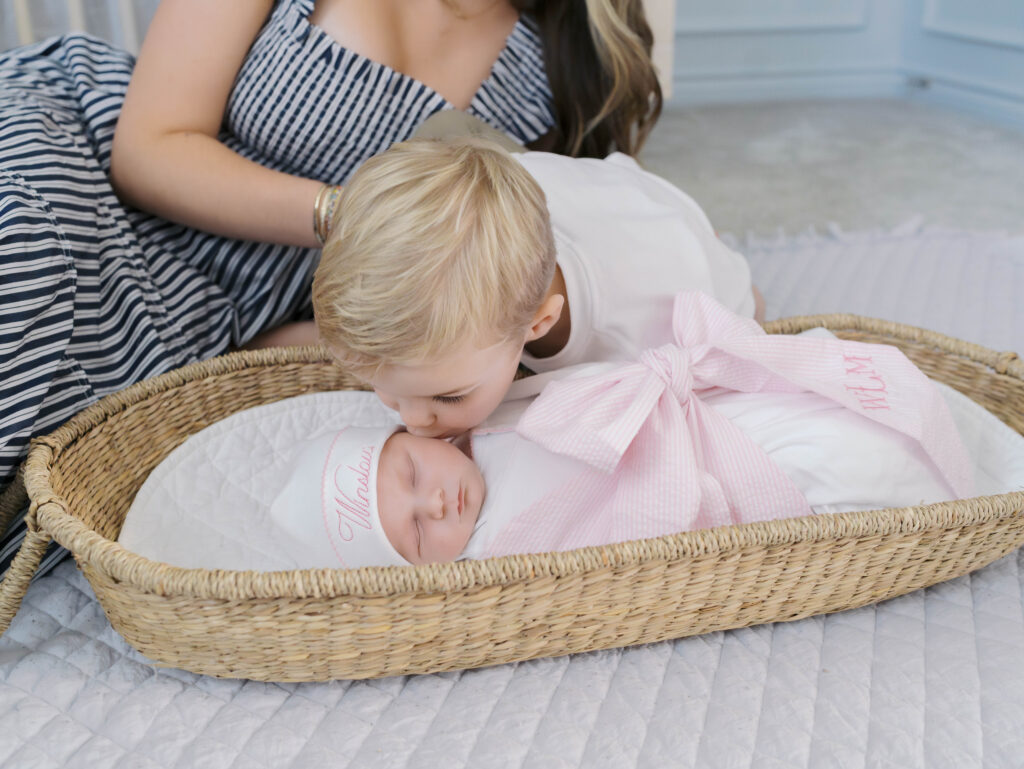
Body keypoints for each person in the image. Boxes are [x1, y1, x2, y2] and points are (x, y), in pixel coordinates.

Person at [0, 0, 661, 572]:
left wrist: (326, 349)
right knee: (28, 262)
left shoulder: (560, 63)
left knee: (86, 469)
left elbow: (506, 282)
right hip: (88, 176)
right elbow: (145, 151)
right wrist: (348, 217)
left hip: (246, 312)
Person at [265, 292, 974, 568]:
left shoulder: (487, 413)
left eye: (412, 478)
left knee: (807, 392)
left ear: (418, 441)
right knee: (835, 462)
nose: (437, 503)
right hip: (704, 476)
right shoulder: (501, 554)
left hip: (694, 411)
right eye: (417, 533)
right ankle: (909, 476)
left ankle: (888, 412)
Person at [312, 136, 762, 440]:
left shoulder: (623, 340)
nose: (412, 420)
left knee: (751, 312)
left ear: (539, 321)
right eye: (381, 387)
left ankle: (722, 250)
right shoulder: (496, 186)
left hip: (686, 259)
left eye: (449, 396)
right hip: (607, 191)